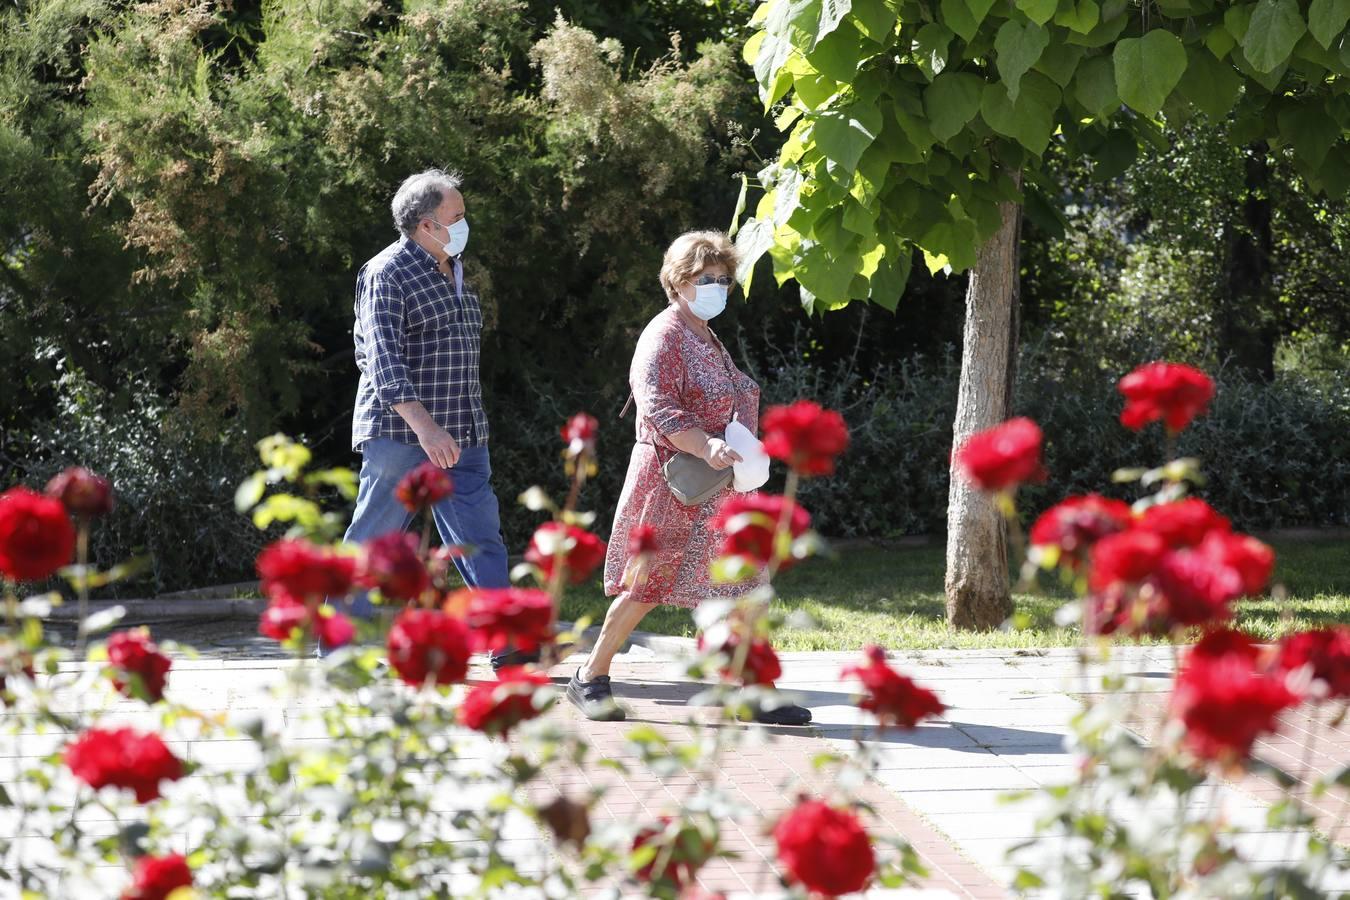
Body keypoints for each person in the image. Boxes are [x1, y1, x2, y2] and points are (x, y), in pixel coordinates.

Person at [566, 230, 811, 726]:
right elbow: (655, 403)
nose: (717, 288)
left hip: (719, 484)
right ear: (678, 281)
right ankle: (590, 677)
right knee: (647, 584)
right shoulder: (665, 333)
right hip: (673, 479)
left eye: (723, 280)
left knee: (745, 582)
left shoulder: (704, 333)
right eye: (706, 279)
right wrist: (706, 444)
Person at [336, 168, 529, 669]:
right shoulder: (387, 272)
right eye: (456, 216)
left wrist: (455, 428)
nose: (465, 224)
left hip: (464, 431)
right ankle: (340, 654)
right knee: (375, 542)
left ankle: (506, 643)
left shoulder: (455, 269)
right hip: (403, 435)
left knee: (481, 537)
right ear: (426, 225)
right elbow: (382, 361)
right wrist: (426, 428)